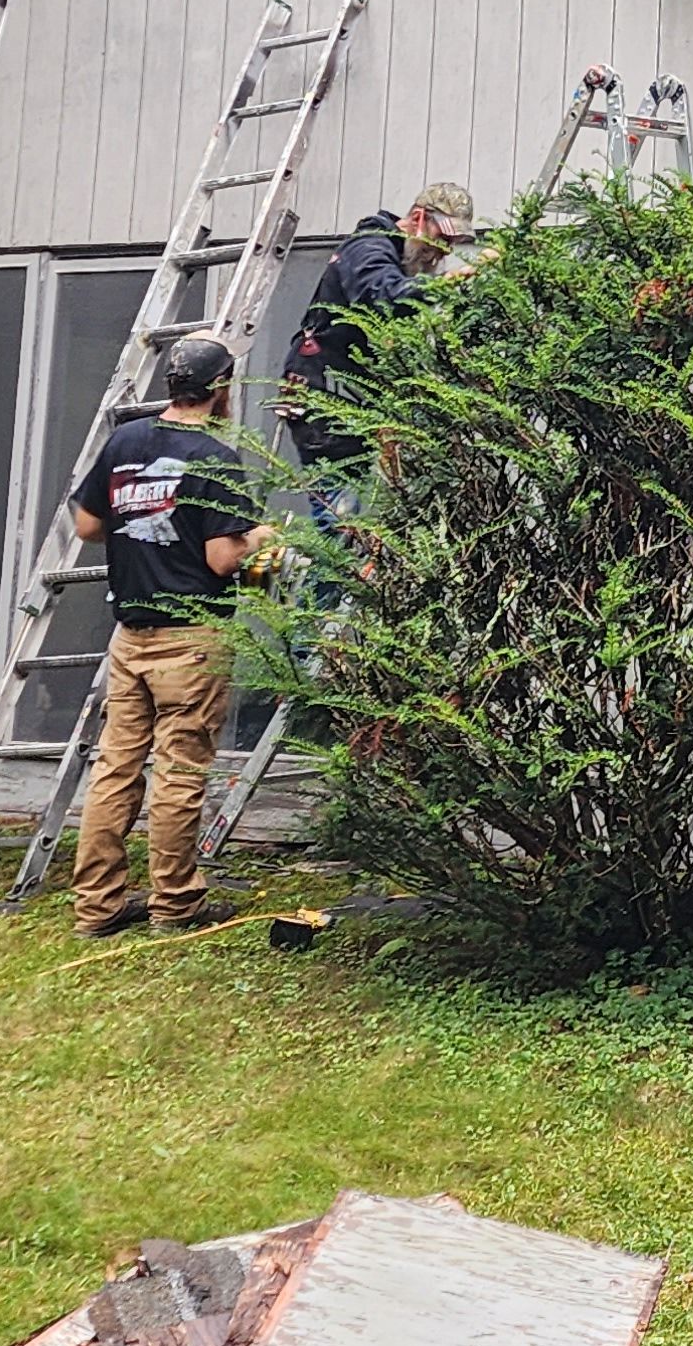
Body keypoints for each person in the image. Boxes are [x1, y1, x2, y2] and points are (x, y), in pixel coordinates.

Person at [70, 334, 263, 939]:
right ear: (222, 389)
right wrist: (262, 538)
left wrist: (142, 529)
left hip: (130, 637)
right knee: (179, 773)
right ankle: (174, 906)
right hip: (192, 638)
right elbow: (221, 559)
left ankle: (97, 908)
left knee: (115, 769)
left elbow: (86, 525)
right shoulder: (214, 458)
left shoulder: (124, 442)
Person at [282, 180, 477, 508]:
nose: (443, 249)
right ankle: (339, 556)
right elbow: (384, 297)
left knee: (367, 500)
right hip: (324, 391)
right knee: (341, 504)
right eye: (440, 237)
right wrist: (449, 283)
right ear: (417, 219)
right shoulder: (368, 247)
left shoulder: (400, 260)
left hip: (351, 393)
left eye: (452, 242)